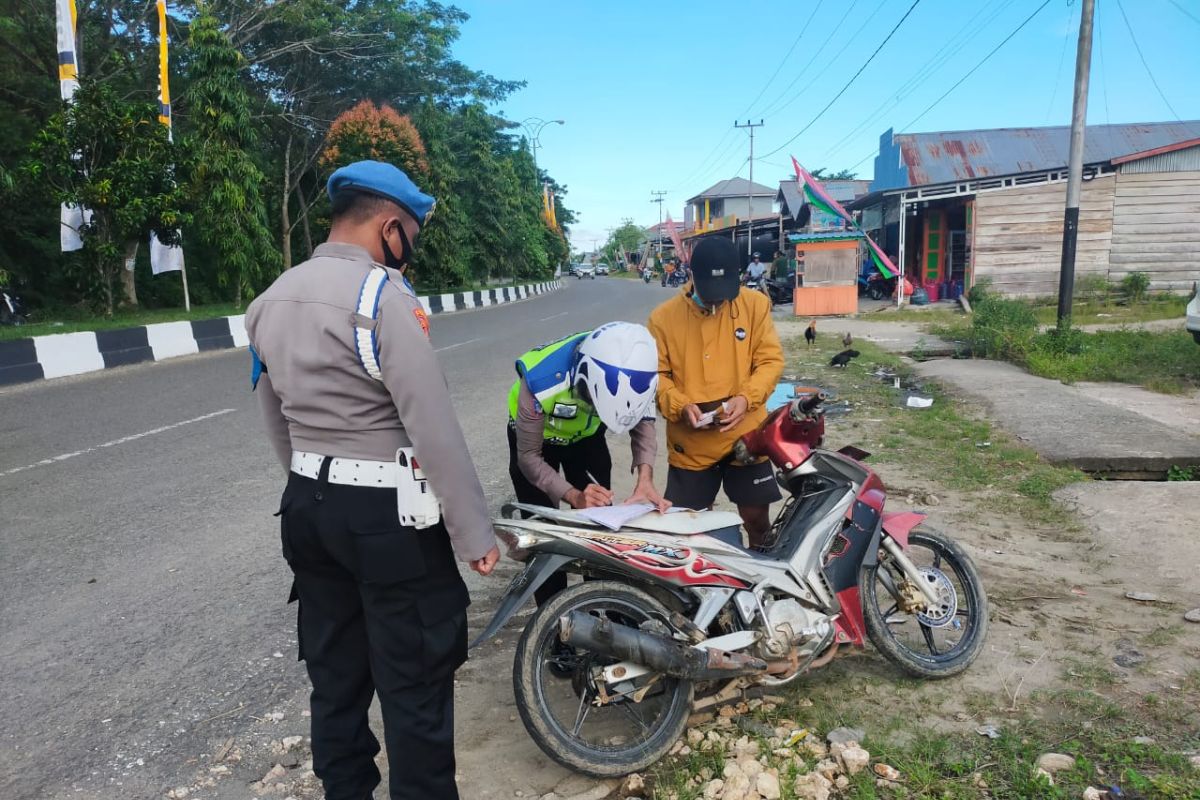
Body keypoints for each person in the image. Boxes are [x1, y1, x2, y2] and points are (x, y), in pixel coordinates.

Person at [245, 160, 499, 800]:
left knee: (334, 677)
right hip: (387, 517)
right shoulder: (382, 299)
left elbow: (273, 413)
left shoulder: (270, 299)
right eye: (411, 233)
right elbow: (431, 425)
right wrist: (474, 535)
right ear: (391, 227)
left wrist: (313, 489)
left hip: (306, 505)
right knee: (414, 681)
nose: (410, 248)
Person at [507, 322, 668, 603]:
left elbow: (644, 425)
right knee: (545, 533)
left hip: (585, 439)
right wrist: (573, 495)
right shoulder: (539, 379)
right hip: (536, 444)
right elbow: (529, 459)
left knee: (600, 521)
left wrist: (645, 480)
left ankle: (599, 607)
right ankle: (553, 620)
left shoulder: (637, 370)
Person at [646, 236, 785, 549]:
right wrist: (681, 406)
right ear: (692, 275)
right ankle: (698, 592)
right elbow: (657, 377)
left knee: (757, 520)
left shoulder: (755, 306)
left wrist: (745, 399)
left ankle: (760, 582)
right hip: (691, 441)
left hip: (746, 433)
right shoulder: (663, 319)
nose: (718, 302)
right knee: (689, 528)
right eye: (710, 295)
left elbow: (769, 362)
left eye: (725, 295)